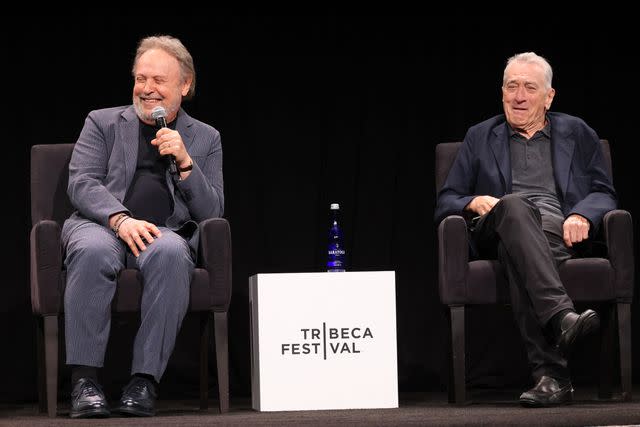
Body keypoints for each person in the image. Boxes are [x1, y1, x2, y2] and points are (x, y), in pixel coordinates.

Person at [435, 52, 616, 407]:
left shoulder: (578, 133)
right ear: (502, 92)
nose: (519, 96)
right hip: (496, 225)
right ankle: (562, 316)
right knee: (515, 206)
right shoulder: (480, 136)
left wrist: (582, 214)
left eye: (529, 88)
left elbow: (603, 191)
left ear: (549, 97)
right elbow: (446, 200)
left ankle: (553, 378)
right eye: (511, 86)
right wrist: (473, 202)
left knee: (518, 252)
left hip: (554, 229)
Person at [62, 35, 224, 418]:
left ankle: (143, 383)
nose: (146, 89)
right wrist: (119, 219)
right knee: (92, 250)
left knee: (170, 252)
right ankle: (84, 383)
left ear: (185, 85)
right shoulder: (101, 122)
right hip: (101, 224)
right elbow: (81, 182)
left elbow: (212, 211)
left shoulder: (205, 137)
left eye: (158, 81)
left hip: (164, 232)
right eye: (140, 78)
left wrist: (186, 162)